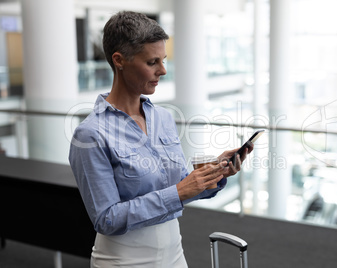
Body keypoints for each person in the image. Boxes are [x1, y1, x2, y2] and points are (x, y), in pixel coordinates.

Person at [69, 11, 251, 268]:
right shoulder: (90, 134)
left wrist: (211, 175)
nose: (163, 70)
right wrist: (179, 191)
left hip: (174, 252)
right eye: (152, 62)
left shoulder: (163, 118)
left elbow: (174, 189)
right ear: (119, 60)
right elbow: (106, 219)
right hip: (123, 260)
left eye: (163, 60)